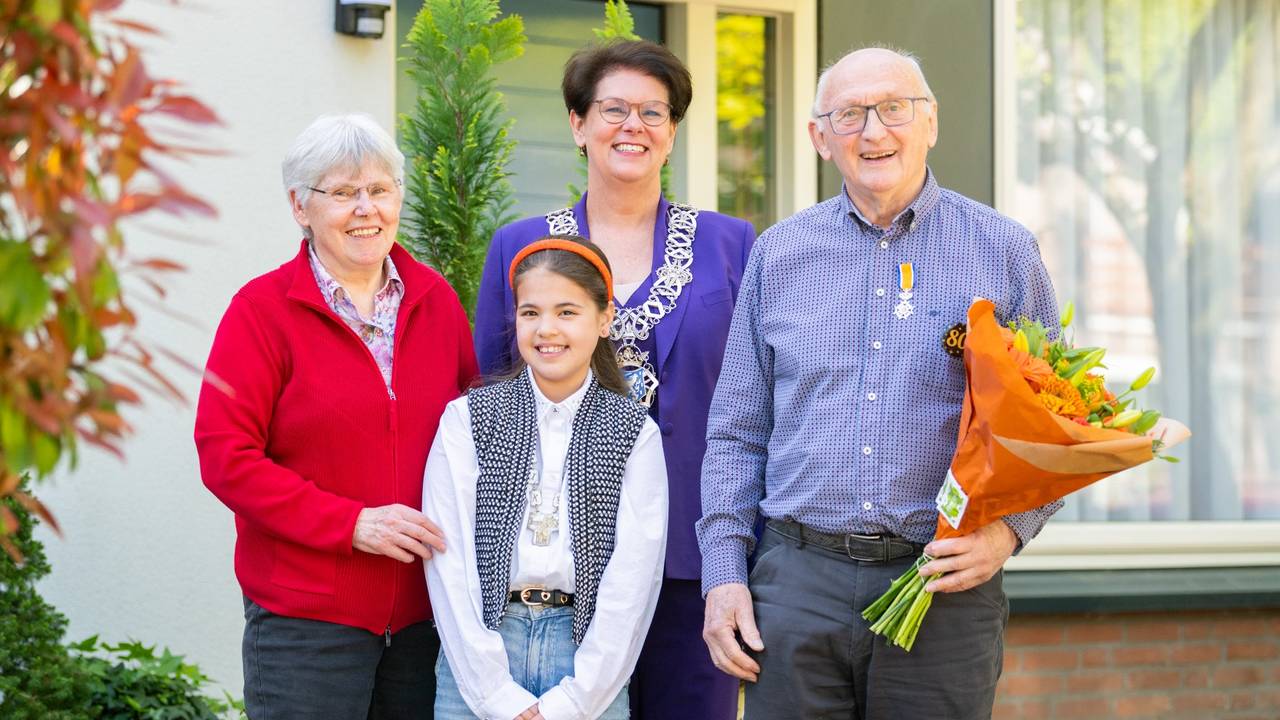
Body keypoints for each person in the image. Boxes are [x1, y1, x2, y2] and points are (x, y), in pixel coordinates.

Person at [697, 47, 1062, 719]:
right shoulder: (778, 255)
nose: (874, 132)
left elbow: (1053, 428)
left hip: (942, 589)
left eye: (894, 108)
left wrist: (1007, 533)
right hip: (796, 585)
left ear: (931, 123)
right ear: (819, 137)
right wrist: (724, 576)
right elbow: (737, 434)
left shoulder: (1004, 250)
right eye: (850, 114)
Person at [472, 40, 754, 720]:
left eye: (653, 112)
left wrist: (744, 559)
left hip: (696, 559)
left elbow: (760, 398)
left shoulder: (733, 243)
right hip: (557, 570)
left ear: (674, 132)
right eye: (614, 109)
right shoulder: (521, 246)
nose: (634, 126)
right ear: (577, 124)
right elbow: (490, 394)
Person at [194, 113, 477, 719]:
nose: (366, 209)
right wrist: (351, 523)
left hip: (428, 620)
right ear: (301, 206)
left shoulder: (436, 300)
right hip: (306, 624)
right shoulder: (260, 312)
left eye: (379, 190)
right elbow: (226, 457)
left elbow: (475, 437)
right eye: (343, 193)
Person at [426, 236, 668, 720]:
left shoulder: (634, 431)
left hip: (582, 657)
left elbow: (634, 578)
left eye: (567, 312)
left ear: (603, 321)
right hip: (482, 650)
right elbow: (447, 559)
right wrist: (495, 693)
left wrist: (575, 701)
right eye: (530, 312)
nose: (546, 329)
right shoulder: (467, 418)